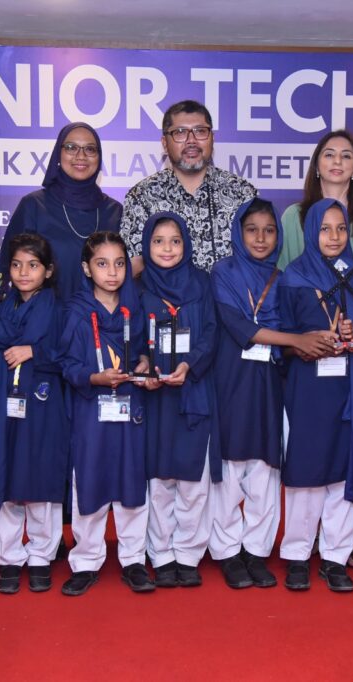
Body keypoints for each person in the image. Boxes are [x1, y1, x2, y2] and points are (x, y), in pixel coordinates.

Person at [208, 198, 335, 590]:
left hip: (269, 383)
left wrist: (313, 343)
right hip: (231, 380)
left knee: (265, 469)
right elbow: (238, 325)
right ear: (238, 233)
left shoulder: (283, 278)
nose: (261, 238)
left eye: (268, 231)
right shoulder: (223, 272)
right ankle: (228, 551)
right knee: (230, 469)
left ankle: (256, 550)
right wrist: (296, 340)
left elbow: (292, 333)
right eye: (252, 230)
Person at [277, 198, 353, 593]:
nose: (334, 237)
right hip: (307, 389)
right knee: (306, 472)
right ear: (309, 231)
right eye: (325, 229)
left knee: (342, 471)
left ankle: (336, 555)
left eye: (341, 229)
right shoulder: (293, 276)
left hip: (348, 388)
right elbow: (281, 337)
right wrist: (303, 342)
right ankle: (298, 555)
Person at [58, 232, 155, 596]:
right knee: (90, 480)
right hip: (91, 409)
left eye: (119, 264)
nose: (112, 272)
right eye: (102, 264)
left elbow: (145, 349)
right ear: (87, 268)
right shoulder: (75, 311)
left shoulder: (135, 306)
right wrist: (93, 377)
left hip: (130, 406)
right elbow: (66, 364)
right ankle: (86, 560)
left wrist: (145, 361)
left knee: (133, 480)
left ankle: (133, 559)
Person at [0, 233, 69, 594]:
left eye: (33, 265)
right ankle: (8, 557)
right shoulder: (2, 306)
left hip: (43, 403)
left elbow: (70, 355)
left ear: (48, 271)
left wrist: (34, 351)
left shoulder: (59, 309)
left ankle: (41, 556)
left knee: (40, 475)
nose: (23, 272)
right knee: (4, 471)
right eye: (16, 265)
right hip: (5, 398)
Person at [139, 212, 221, 588]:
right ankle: (161, 553)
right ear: (147, 245)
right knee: (159, 480)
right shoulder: (138, 286)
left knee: (192, 480)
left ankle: (188, 552)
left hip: (193, 388)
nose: (167, 249)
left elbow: (211, 332)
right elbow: (131, 336)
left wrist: (190, 364)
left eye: (175, 241)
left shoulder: (201, 282)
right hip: (156, 396)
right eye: (158, 241)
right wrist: (144, 366)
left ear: (186, 244)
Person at [120, 100, 257, 274]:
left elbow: (258, 260)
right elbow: (133, 265)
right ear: (164, 143)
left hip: (231, 292)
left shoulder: (242, 193)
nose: (191, 141)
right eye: (180, 132)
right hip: (164, 293)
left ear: (212, 138)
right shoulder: (142, 196)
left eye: (200, 131)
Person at [0, 122, 123, 302]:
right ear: (58, 153)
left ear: (99, 157)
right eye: (71, 147)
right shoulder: (33, 206)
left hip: (100, 317)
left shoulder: (114, 211)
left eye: (90, 149)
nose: (81, 156)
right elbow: (9, 268)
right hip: (44, 316)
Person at [277, 129, 353, 271]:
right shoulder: (292, 217)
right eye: (329, 154)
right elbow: (281, 274)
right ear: (316, 166)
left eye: (346, 156)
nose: (337, 161)